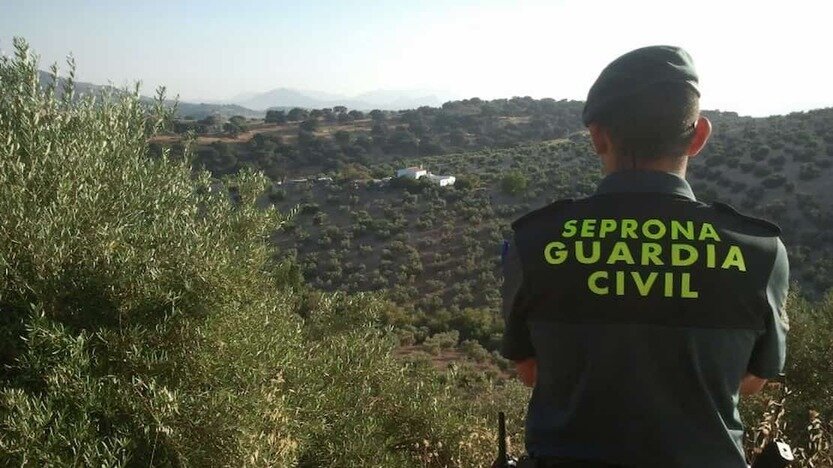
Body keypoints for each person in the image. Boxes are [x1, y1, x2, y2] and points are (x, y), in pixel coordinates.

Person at [500, 45, 790, 468]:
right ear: (698, 136)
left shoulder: (535, 242)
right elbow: (752, 381)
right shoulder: (759, 251)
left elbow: (529, 372)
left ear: (598, 136)